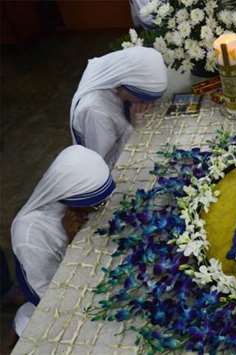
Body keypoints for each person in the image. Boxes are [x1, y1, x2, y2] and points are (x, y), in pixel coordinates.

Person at [11, 145, 116, 336]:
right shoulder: (30, 235)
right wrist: (72, 242)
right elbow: (48, 295)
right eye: (96, 203)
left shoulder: (71, 206)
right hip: (58, 297)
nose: (99, 207)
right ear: (74, 199)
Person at [70, 46, 167, 168]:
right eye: (143, 98)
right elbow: (106, 165)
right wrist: (133, 128)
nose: (147, 103)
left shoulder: (116, 75)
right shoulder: (95, 112)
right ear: (127, 86)